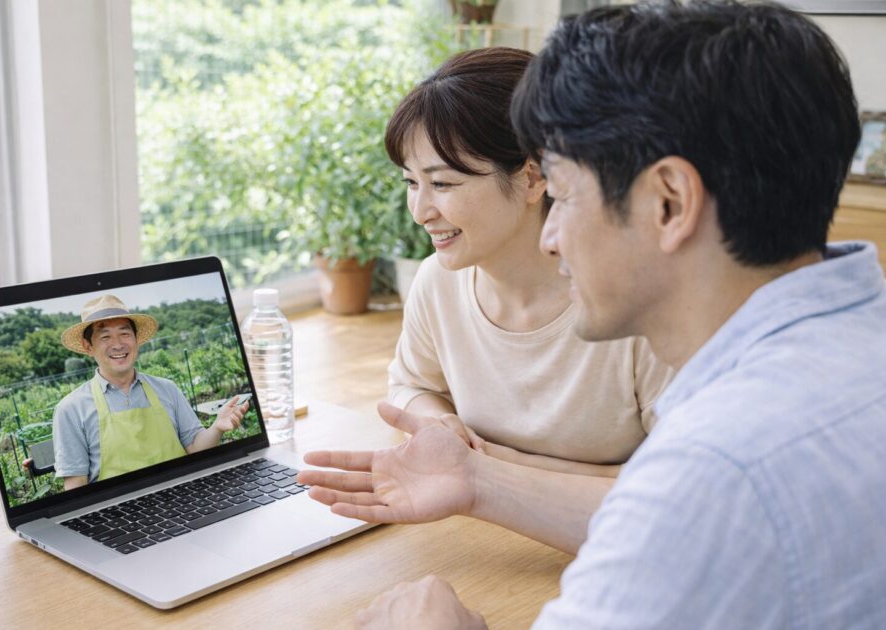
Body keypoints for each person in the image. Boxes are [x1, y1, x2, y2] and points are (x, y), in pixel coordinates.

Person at [299, 1, 886, 627]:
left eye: (566, 191)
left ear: (669, 202)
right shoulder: (854, 349)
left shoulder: (713, 468)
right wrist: (478, 477)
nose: (552, 235)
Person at [383, 46, 672, 478]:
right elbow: (410, 386)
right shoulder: (437, 284)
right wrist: (436, 421)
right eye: (411, 182)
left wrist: (502, 468)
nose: (421, 210)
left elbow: (678, 483)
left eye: (441, 183)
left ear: (533, 178)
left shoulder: (637, 304)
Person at [51, 294, 248, 490]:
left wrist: (217, 427)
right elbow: (76, 487)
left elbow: (195, 448)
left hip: (184, 496)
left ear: (136, 340)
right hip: (119, 514)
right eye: (105, 336)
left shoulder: (166, 389)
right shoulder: (71, 409)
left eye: (125, 333)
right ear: (88, 347)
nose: (118, 344)